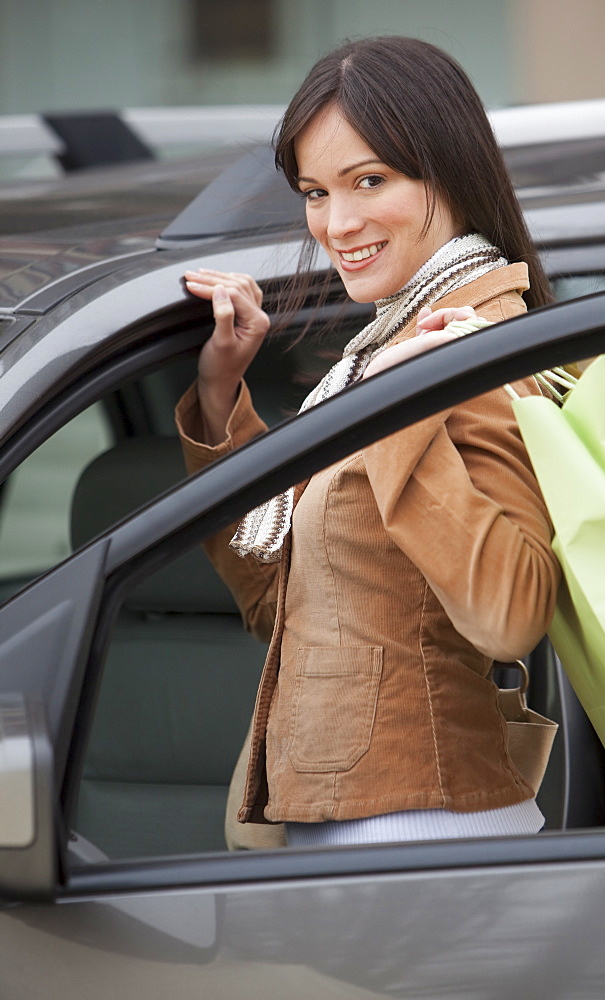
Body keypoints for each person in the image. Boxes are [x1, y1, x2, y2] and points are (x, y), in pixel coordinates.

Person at [176, 36, 561, 848]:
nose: (335, 224)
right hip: (359, 819)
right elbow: (278, 601)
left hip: (423, 824)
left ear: (448, 171)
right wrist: (220, 395)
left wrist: (393, 405)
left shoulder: (470, 346)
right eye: (315, 192)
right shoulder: (385, 353)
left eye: (370, 180)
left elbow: (510, 612)